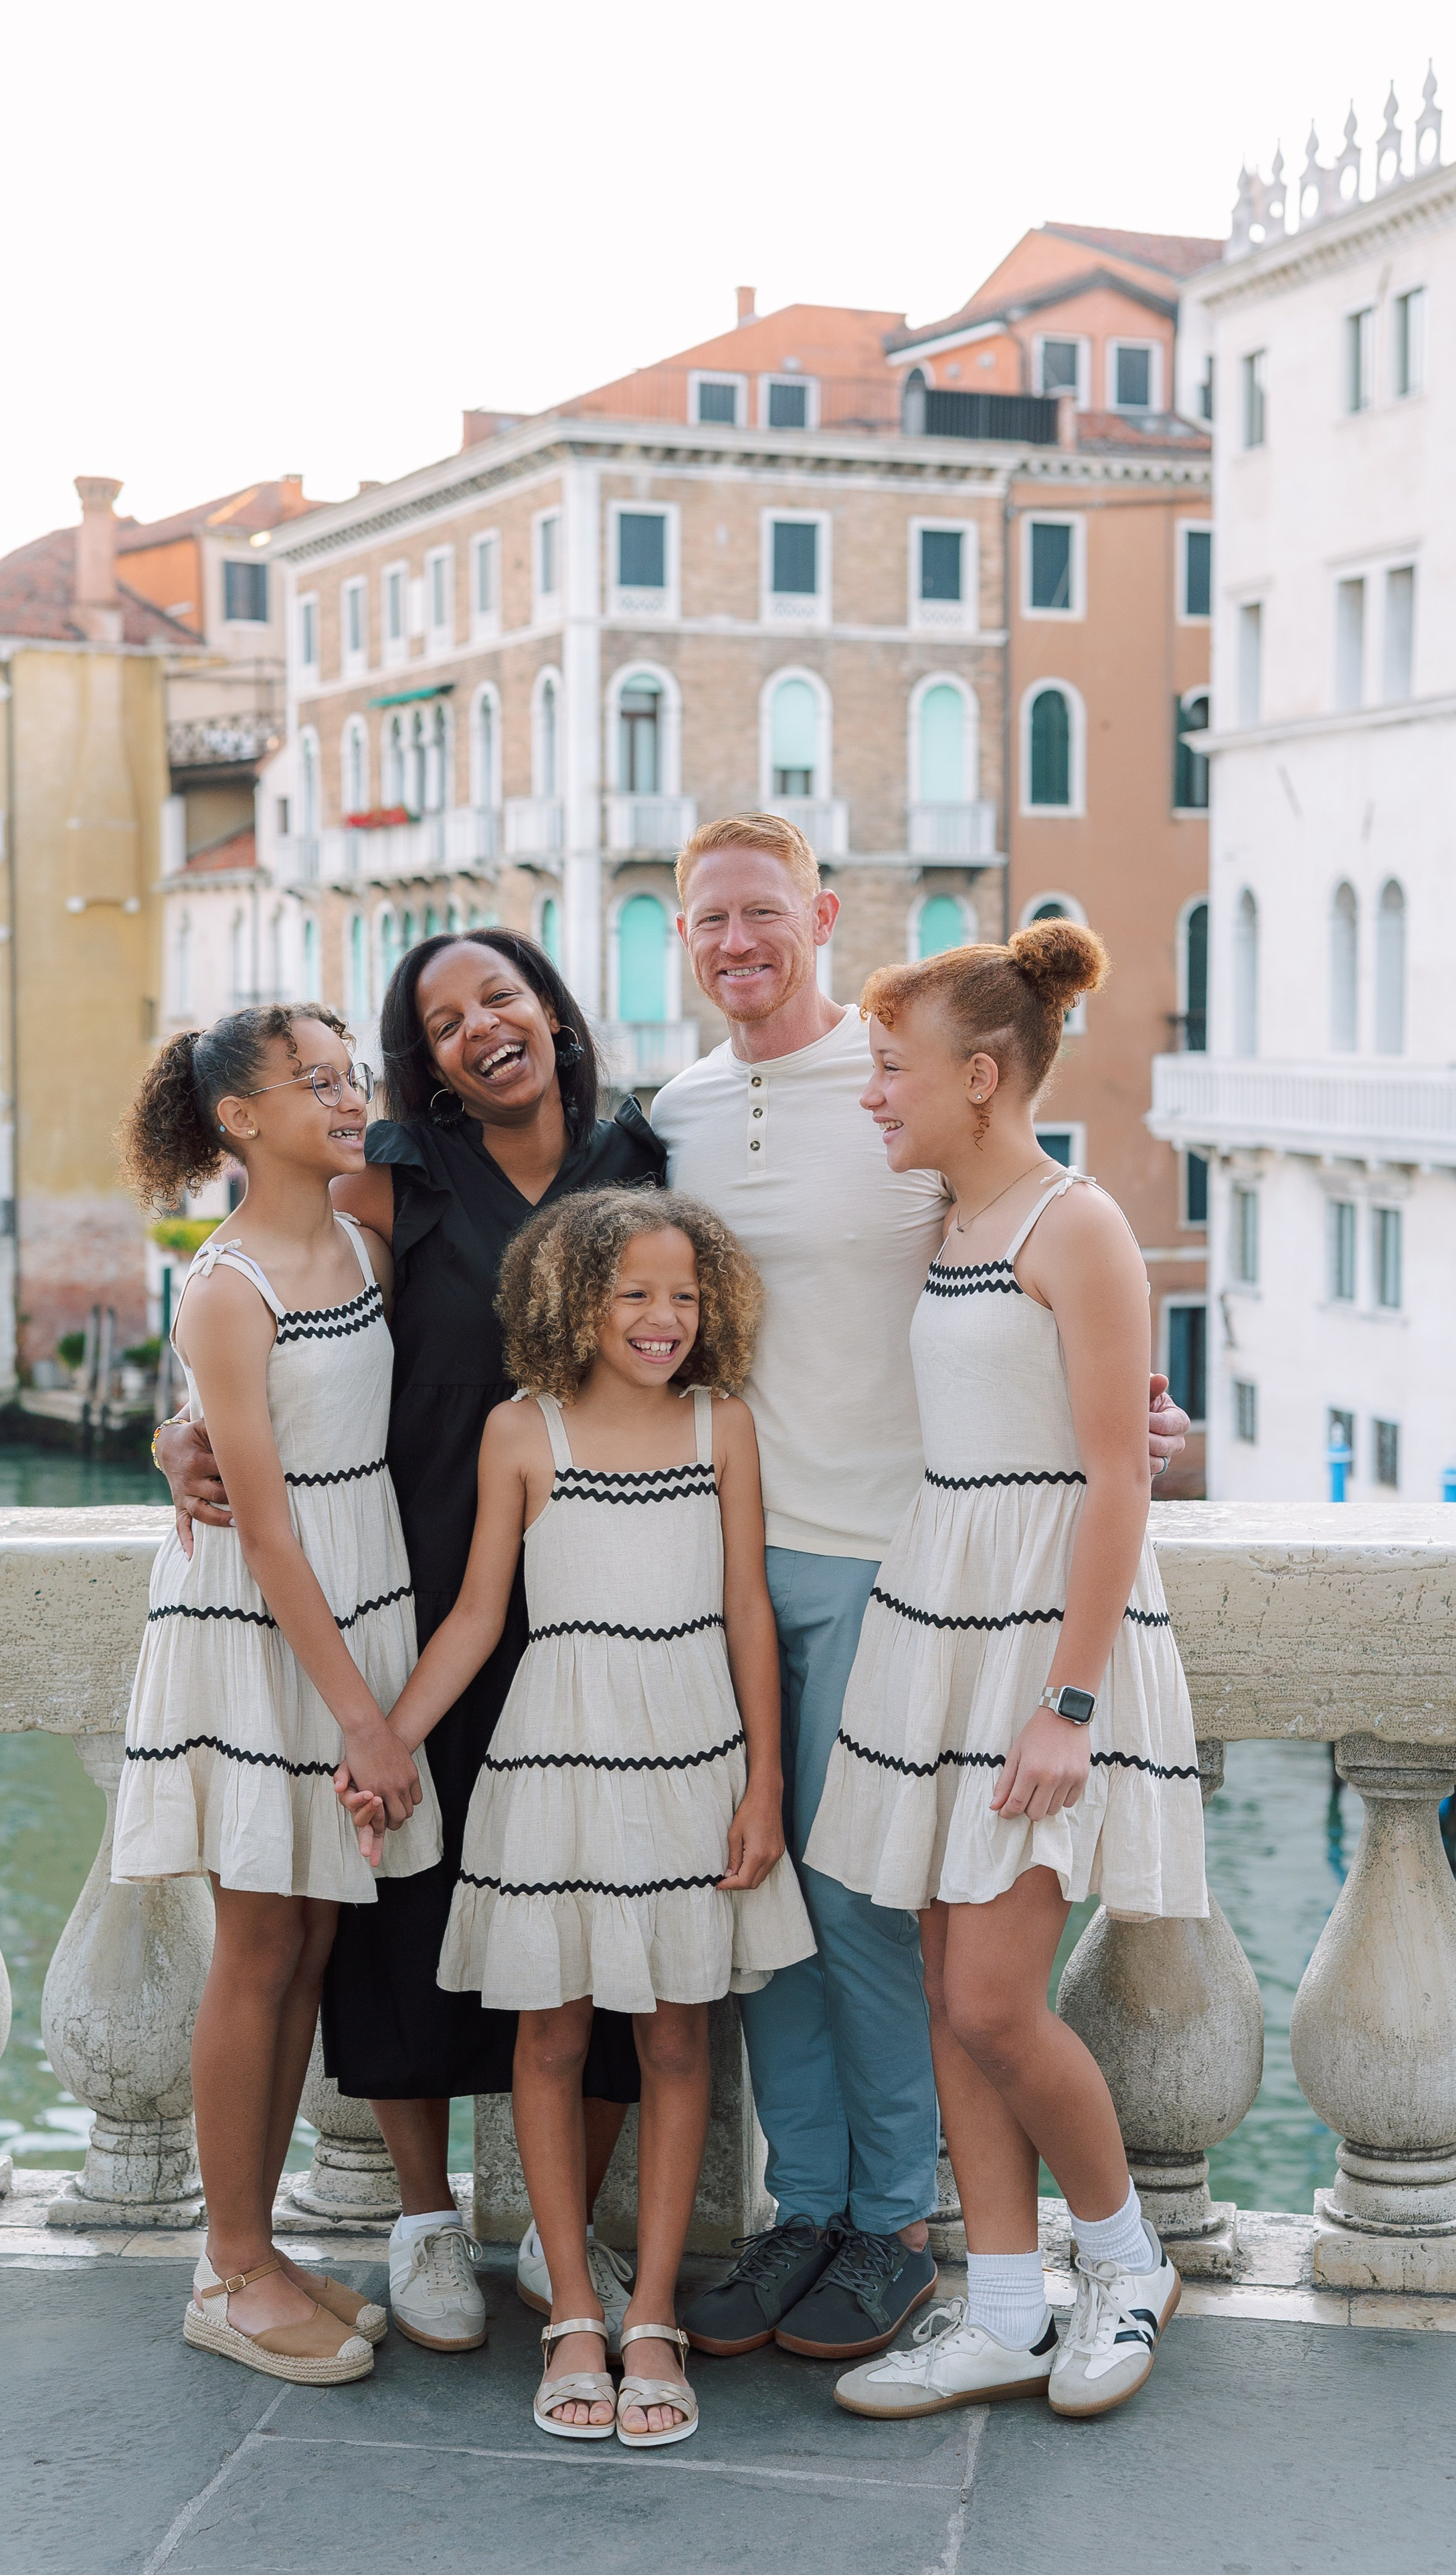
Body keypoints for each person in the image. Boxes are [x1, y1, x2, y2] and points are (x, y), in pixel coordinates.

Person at [651, 815, 1190, 2367]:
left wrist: (1153, 1438)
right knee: (765, 1906)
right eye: (707, 919)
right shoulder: (675, 1113)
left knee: (885, 1931)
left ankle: (895, 2225)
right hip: (733, 1561)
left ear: (816, 914)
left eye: (760, 911)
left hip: (914, 1570)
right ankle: (812, 2210)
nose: (734, 941)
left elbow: (1083, 1404)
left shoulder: (921, 1110)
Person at [155, 933, 664, 2354]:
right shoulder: (391, 1175)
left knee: (600, 1898)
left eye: (499, 996)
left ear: (552, 1012)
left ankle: (572, 2237)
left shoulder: (646, 1155)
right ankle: (423, 2222)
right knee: (389, 1926)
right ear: (420, 1058)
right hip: (413, 1593)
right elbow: (246, 1323)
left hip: (602, 1590)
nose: (479, 1028)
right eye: (440, 1019)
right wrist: (173, 1433)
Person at [806, 925, 1206, 2421]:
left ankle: (1120, 2258)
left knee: (988, 1997)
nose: (872, 1099)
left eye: (891, 1072)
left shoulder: (1075, 1223)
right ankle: (994, 2305)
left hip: (1040, 1639)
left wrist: (1070, 1699)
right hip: (940, 1614)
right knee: (940, 1983)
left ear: (979, 1078)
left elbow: (1115, 1479)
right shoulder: (953, 1225)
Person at [356, 1188, 812, 2445]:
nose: (663, 1318)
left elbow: (747, 1617)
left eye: (683, 1293)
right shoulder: (522, 1431)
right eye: (633, 1295)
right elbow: (474, 1619)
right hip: (555, 1759)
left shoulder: (725, 1426)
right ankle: (569, 2311)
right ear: (575, 1304)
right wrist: (387, 1737)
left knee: (676, 2046)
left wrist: (764, 1785)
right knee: (548, 2042)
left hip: (691, 1760)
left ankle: (652, 2311)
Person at [113, 1003, 440, 2384]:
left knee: (308, 1938)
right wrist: (365, 1717)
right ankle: (229, 2270)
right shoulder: (226, 1284)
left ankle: (244, 2249)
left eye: (347, 1073)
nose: (345, 1092)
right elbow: (258, 1524)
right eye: (312, 1081)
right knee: (257, 1944)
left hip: (352, 1599)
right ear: (239, 1120)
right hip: (268, 1626)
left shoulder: (360, 1230)